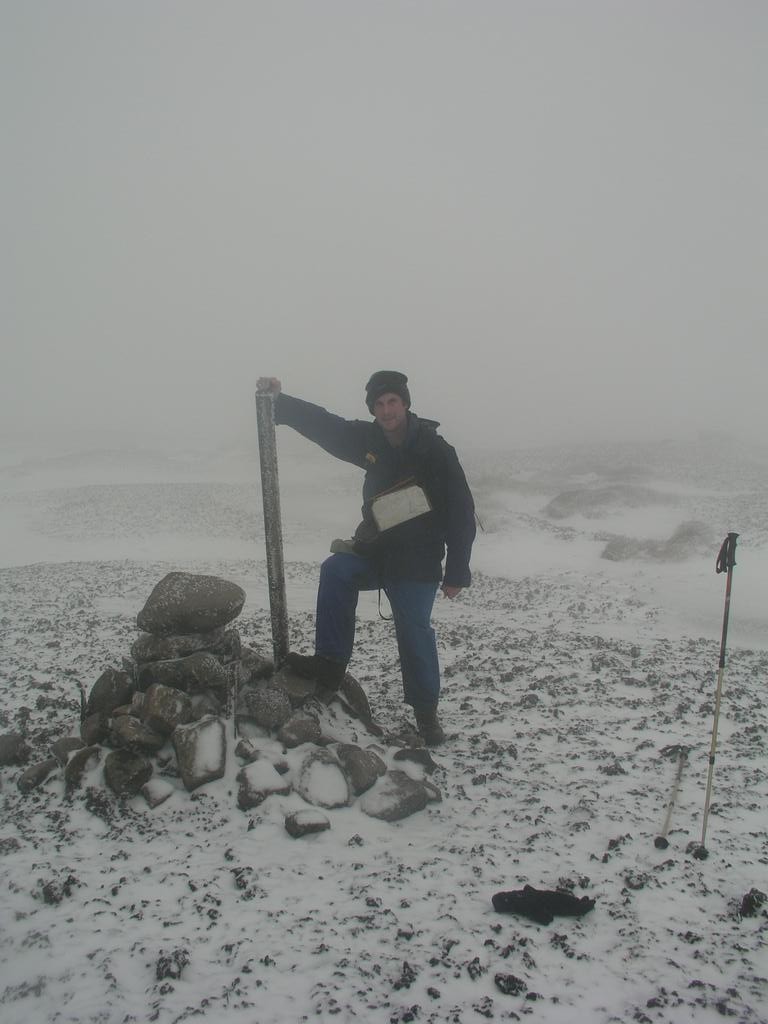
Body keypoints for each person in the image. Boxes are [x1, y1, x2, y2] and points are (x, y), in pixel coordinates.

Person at [256, 371, 475, 746]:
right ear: (373, 410)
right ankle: (329, 670)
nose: (387, 410)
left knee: (413, 629)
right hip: (379, 553)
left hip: (418, 564)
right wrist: (283, 403)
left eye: (393, 401)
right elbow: (328, 426)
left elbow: (461, 512)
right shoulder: (370, 439)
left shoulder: (436, 450)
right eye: (379, 404)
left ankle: (426, 714)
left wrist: (456, 570)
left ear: (405, 404)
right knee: (336, 570)